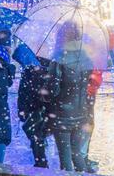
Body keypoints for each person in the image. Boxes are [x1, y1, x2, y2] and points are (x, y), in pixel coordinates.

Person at [48, 22, 95, 172]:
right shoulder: (86, 56)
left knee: (65, 157)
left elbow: (53, 90)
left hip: (63, 114)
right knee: (76, 154)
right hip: (81, 112)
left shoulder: (59, 57)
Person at [16, 46, 52, 168]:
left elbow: (24, 90)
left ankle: (41, 161)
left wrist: (22, 108)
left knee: (35, 133)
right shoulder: (45, 65)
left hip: (36, 106)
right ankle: (40, 158)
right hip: (39, 106)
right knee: (36, 133)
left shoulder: (32, 68)